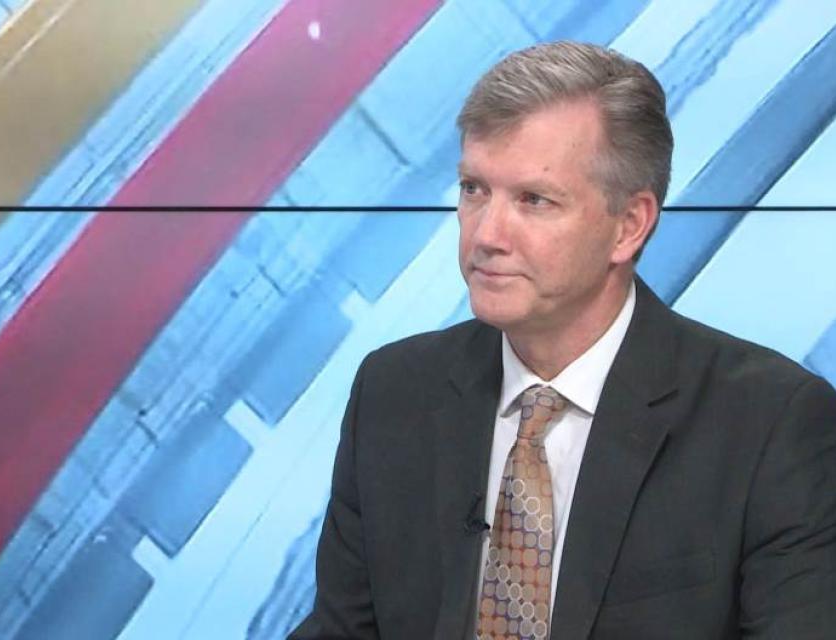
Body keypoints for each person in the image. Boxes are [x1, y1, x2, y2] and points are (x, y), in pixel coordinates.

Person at [289, 41, 836, 639]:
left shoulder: (770, 424)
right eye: (474, 189)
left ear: (629, 226)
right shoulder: (394, 392)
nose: (487, 234)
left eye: (533, 200)